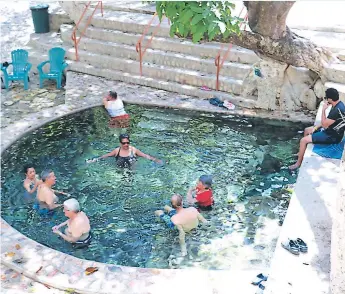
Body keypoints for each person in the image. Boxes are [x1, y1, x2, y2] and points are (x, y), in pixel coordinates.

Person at [289, 88, 345, 170]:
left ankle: (298, 163)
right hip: (331, 130)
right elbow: (328, 123)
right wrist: (316, 127)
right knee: (307, 130)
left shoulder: (336, 111)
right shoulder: (339, 104)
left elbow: (325, 125)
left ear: (330, 99)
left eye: (326, 98)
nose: (326, 100)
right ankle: (300, 153)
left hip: (332, 136)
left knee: (303, 140)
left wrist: (323, 110)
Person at [87, 134, 162, 168]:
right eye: (124, 143)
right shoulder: (117, 151)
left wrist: (155, 160)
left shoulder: (133, 150)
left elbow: (145, 155)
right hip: (120, 170)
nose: (126, 144)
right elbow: (106, 156)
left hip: (132, 171)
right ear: (120, 143)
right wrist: (95, 160)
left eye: (127, 142)